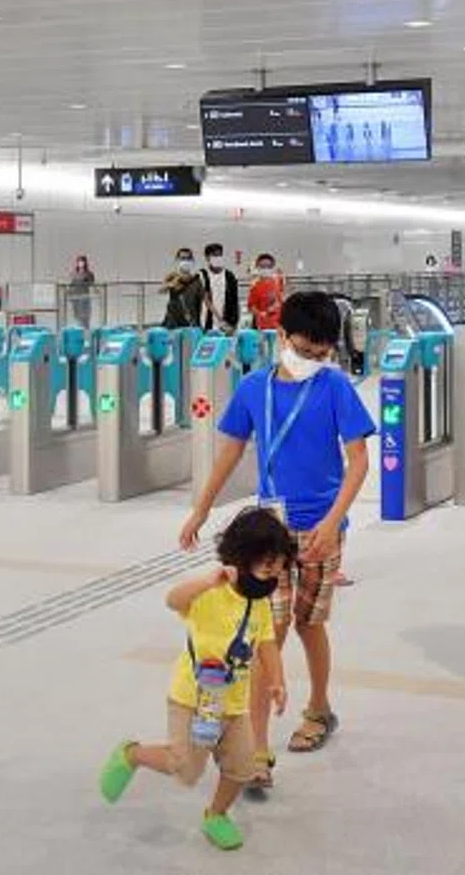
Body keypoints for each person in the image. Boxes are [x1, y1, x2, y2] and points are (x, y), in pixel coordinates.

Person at [180, 291, 375, 793]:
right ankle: (257, 751)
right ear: (282, 336)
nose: (312, 361)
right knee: (267, 638)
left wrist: (333, 523)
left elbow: (358, 462)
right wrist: (201, 508)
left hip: (320, 532)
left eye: (322, 353)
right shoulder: (252, 389)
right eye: (305, 349)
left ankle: (320, 707)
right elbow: (229, 451)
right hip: (269, 534)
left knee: (312, 625)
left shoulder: (335, 388)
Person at [98, 506, 296, 852]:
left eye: (278, 566)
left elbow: (266, 646)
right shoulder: (211, 593)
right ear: (243, 555)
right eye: (267, 563)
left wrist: (277, 682)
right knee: (184, 768)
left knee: (242, 765)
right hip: (191, 698)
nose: (272, 573)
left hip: (233, 703)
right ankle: (131, 754)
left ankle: (216, 814)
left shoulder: (259, 604)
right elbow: (172, 600)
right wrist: (207, 580)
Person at [200, 243, 241, 334]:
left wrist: (234, 323)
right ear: (207, 258)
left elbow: (235, 300)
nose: (218, 258)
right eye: (214, 255)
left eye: (220, 255)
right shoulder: (202, 275)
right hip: (207, 324)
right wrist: (220, 320)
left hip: (227, 324)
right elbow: (205, 299)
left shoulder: (229, 276)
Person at [163, 248, 205, 330]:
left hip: (190, 323)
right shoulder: (172, 276)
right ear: (177, 260)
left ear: (192, 260)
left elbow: (203, 301)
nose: (185, 261)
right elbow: (161, 290)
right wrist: (172, 284)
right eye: (182, 258)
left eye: (188, 258)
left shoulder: (197, 279)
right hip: (173, 322)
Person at [246, 254, 286, 332]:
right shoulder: (255, 286)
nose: (266, 269)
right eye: (262, 266)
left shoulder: (278, 281)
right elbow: (251, 306)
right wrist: (261, 314)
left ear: (273, 267)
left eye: (268, 266)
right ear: (258, 268)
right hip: (263, 327)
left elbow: (282, 297)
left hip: (279, 326)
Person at [68, 254, 96, 328]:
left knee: (84, 316)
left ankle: (85, 328)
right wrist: (69, 293)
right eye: (79, 261)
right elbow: (72, 284)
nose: (81, 263)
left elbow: (91, 283)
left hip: (84, 297)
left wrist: (86, 279)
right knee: (77, 316)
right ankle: (78, 327)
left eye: (82, 261)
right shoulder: (74, 274)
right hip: (75, 297)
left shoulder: (89, 274)